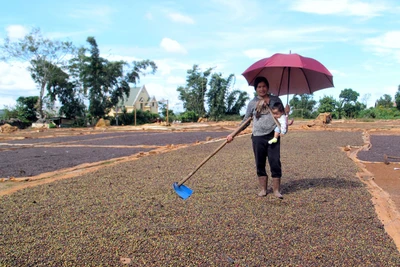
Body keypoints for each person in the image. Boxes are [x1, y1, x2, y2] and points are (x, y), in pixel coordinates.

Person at [227, 76, 284, 198]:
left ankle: (276, 190)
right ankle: (263, 189)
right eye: (259, 87)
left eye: (264, 86)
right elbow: (245, 121)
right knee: (260, 162)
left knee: (275, 161)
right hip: (258, 136)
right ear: (256, 89)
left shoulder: (275, 100)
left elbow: (282, 116)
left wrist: (287, 113)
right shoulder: (252, 103)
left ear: (267, 87)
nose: (262, 89)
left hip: (273, 135)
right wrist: (232, 134)